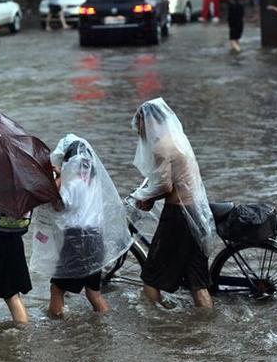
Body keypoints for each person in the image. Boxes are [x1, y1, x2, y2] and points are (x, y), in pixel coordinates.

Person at [30, 134, 131, 317]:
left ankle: (56, 328)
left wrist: (58, 176)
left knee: (57, 289)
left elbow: (59, 204)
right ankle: (103, 329)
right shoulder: (92, 182)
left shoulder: (73, 183)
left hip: (77, 240)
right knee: (93, 293)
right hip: (94, 238)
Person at [130, 98, 215, 309]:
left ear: (148, 122)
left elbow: (165, 187)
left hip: (178, 216)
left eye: (139, 122)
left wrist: (144, 197)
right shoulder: (178, 141)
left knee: (151, 276)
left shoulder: (161, 147)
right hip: (195, 213)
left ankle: (155, 328)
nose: (137, 128)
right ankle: (206, 327)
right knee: (197, 282)